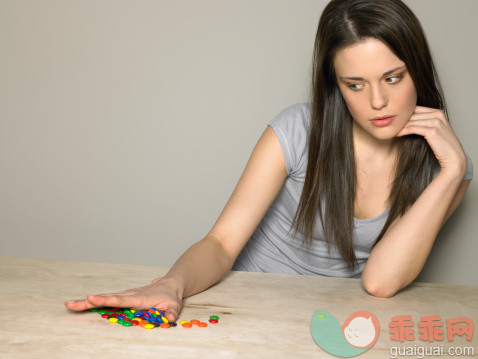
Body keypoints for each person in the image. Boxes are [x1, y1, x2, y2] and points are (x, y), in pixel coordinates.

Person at [65, 0, 473, 322]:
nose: (378, 102)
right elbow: (221, 243)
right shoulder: (296, 130)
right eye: (356, 85)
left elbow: (381, 282)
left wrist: (454, 171)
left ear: (417, 71)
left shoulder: (444, 170)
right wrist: (171, 285)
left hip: (333, 317)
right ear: (336, 86)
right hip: (242, 300)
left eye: (393, 77)